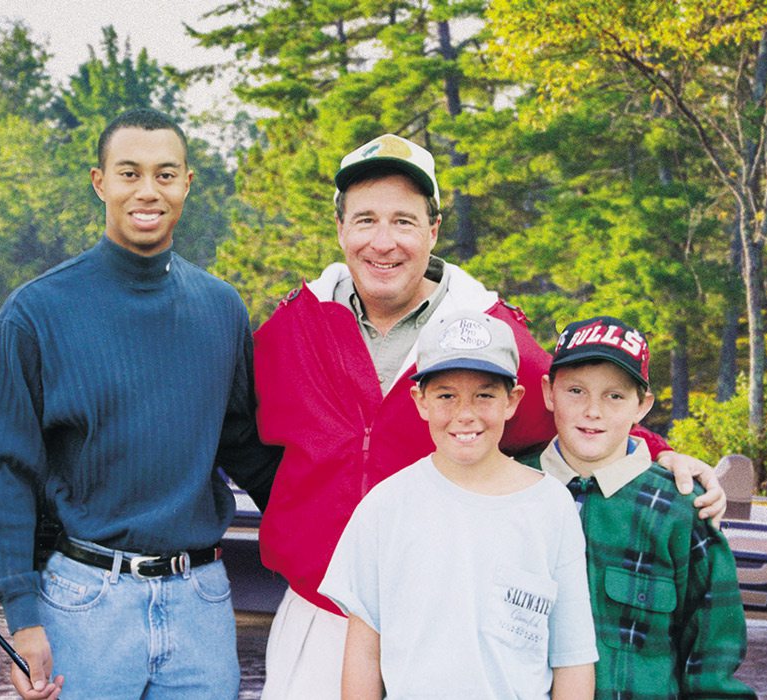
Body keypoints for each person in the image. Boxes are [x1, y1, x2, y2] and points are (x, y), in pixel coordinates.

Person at [252, 133, 727, 698]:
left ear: (432, 231)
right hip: (319, 615)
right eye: (365, 221)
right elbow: (240, 431)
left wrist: (655, 448)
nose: (383, 242)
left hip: (446, 621)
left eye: (404, 222)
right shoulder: (291, 330)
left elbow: (572, 404)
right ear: (340, 230)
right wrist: (290, 512)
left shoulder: (486, 331)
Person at [0, 108, 278, 700]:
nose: (148, 191)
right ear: (100, 182)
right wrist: (23, 618)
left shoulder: (221, 309)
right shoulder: (35, 313)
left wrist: (349, 526)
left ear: (187, 184)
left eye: (166, 175)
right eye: (129, 173)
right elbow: (9, 470)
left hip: (202, 600)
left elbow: (246, 447)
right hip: (84, 602)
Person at [319, 309, 598, 699]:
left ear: (512, 400)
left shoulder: (551, 505)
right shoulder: (385, 506)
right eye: (446, 395)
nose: (465, 414)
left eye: (484, 395)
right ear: (420, 400)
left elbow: (572, 656)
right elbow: (365, 652)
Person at [535, 316, 754, 698]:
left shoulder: (683, 510)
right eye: (575, 391)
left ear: (643, 405)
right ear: (549, 392)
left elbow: (713, 669)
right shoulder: (505, 488)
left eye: (614, 396)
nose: (593, 411)